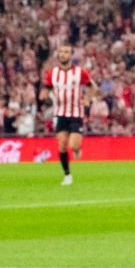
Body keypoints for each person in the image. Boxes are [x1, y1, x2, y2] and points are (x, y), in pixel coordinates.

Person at [41, 44, 93, 185]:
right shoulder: (53, 73)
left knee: (73, 145)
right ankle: (67, 175)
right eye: (61, 52)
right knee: (62, 146)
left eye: (66, 52)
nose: (63, 54)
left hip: (76, 113)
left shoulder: (80, 72)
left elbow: (92, 86)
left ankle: (77, 148)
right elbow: (46, 87)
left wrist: (87, 99)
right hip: (61, 114)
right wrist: (44, 94)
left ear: (71, 55)